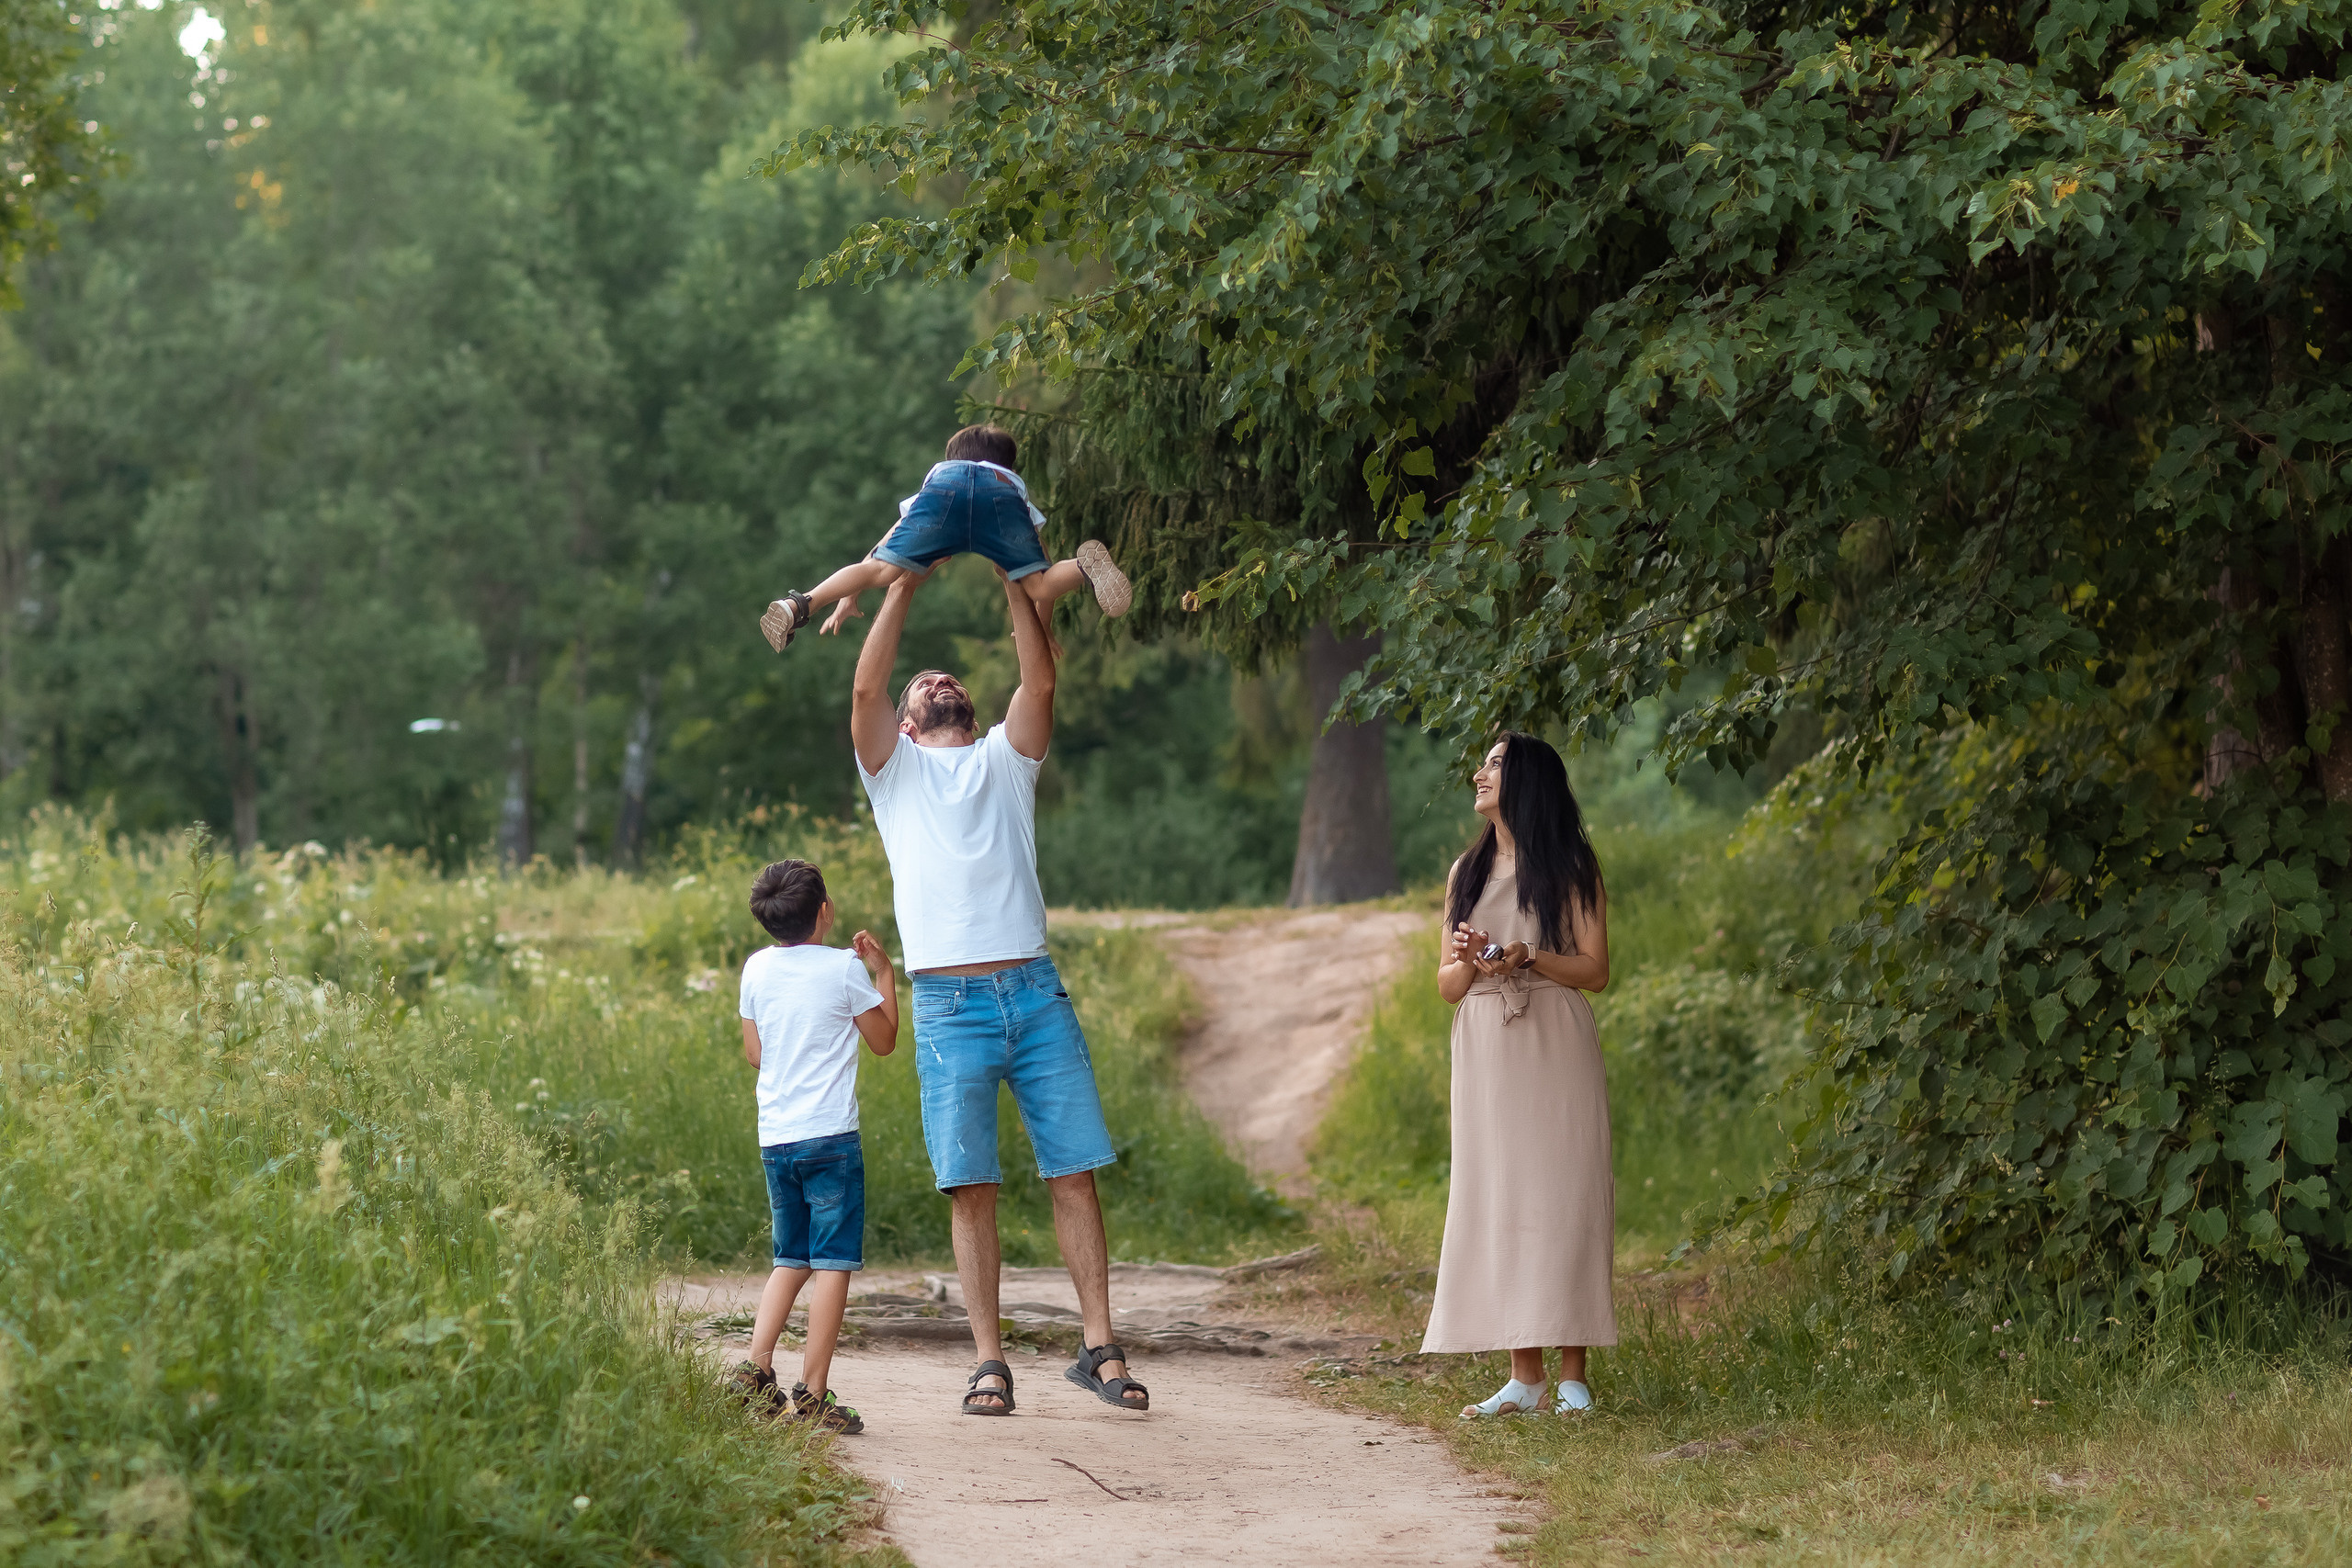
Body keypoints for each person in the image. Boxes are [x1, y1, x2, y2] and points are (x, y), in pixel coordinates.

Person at [848, 567, 1149, 1417]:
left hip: (1034, 991)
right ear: (905, 723)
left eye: (951, 680)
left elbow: (1039, 676)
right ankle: (990, 1361)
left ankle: (1099, 1345)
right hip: (948, 1008)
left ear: (972, 712)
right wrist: (902, 578)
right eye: (924, 684)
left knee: (1074, 1171)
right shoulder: (892, 773)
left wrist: (1022, 579)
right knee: (970, 1187)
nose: (939, 680)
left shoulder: (1006, 760)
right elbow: (868, 680)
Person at [1423, 731, 1617, 1417]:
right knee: (1501, 1195)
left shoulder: (1571, 866)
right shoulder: (1464, 874)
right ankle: (1522, 1374)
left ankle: (1572, 1373)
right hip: (1485, 1045)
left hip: (1554, 1037)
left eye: (1495, 763)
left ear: (1528, 779)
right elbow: (1447, 984)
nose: (1478, 772)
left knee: (1565, 1191)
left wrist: (1530, 955)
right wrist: (1477, 959)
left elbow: (1594, 969)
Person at [729, 857, 899, 1435]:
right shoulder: (841, 970)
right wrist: (884, 976)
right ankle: (813, 1393)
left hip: (776, 1137)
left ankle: (755, 1371)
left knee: (790, 1257)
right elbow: (884, 1041)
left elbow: (755, 1054)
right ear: (824, 912)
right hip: (829, 1135)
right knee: (832, 1264)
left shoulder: (755, 969)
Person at [759, 423, 1132, 651]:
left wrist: (850, 592)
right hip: (998, 500)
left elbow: (883, 546)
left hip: (944, 494)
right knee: (1039, 583)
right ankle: (1086, 566)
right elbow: (1042, 565)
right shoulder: (1009, 484)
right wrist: (1044, 627)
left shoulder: (943, 475)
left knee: (879, 572)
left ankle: (800, 605)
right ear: (1008, 463)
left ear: (955, 457)